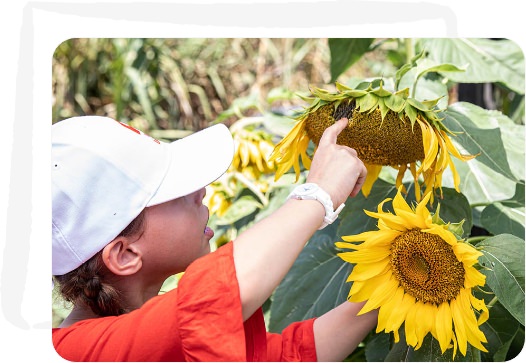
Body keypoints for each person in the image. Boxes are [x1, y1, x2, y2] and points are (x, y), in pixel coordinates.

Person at [51, 115, 378, 362]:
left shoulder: (154, 333)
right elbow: (211, 298)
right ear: (124, 254)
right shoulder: (75, 352)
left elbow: (285, 356)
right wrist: (319, 194)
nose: (200, 191)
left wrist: (383, 294)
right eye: (173, 193)